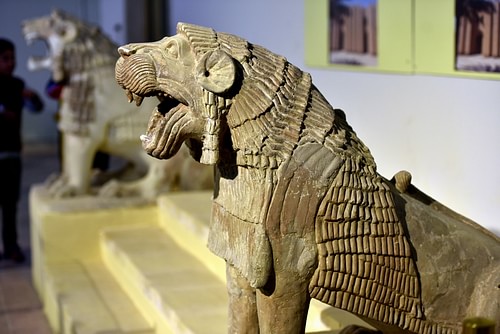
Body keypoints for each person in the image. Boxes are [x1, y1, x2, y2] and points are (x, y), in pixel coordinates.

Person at [0, 38, 43, 263]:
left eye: (12, 58)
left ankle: (11, 246)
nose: (10, 63)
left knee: (10, 203)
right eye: (5, 59)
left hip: (11, 153)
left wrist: (33, 97)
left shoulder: (17, 85)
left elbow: (37, 107)